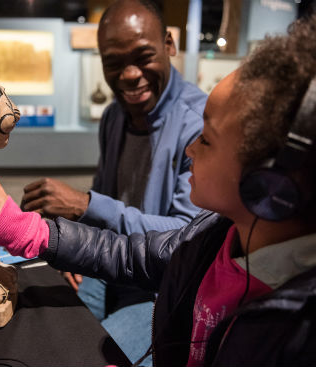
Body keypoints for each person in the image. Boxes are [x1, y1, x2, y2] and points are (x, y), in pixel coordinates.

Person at [0, 9, 316, 366]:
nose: (190, 149)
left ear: (268, 182)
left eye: (207, 140)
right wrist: (27, 230)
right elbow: (131, 254)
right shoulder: (212, 237)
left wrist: (86, 205)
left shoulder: (309, 331)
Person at [20, 1, 207, 362]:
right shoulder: (114, 117)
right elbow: (104, 196)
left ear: (169, 45)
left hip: (158, 290)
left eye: (142, 57)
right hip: (108, 271)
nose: (129, 75)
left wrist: (86, 205)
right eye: (114, 63)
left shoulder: (199, 124)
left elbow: (186, 239)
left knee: (80, 355)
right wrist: (77, 248)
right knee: (37, 328)